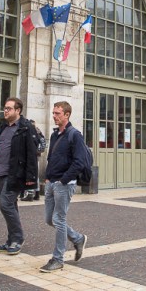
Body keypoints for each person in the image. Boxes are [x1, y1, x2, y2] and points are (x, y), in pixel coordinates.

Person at [0, 97, 39, 256]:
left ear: (18, 110)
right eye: (5, 108)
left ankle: (18, 239)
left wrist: (31, 177)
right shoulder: (3, 128)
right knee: (11, 205)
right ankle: (10, 240)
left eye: (9, 108)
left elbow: (31, 154)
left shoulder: (26, 128)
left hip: (15, 174)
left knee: (5, 204)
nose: (5, 111)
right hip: (1, 172)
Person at [39, 100, 89, 273]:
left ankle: (58, 259)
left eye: (57, 113)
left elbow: (80, 162)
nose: (54, 116)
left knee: (59, 219)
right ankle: (77, 238)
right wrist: (47, 178)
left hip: (64, 184)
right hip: (52, 182)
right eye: (53, 113)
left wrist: (64, 180)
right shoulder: (54, 135)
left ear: (67, 115)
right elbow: (51, 158)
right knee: (49, 219)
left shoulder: (75, 135)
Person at [22, 119, 46, 201]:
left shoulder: (35, 132)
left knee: (32, 174)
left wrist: (35, 151)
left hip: (34, 155)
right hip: (35, 155)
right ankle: (36, 193)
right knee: (35, 175)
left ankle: (30, 193)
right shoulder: (38, 132)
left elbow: (41, 145)